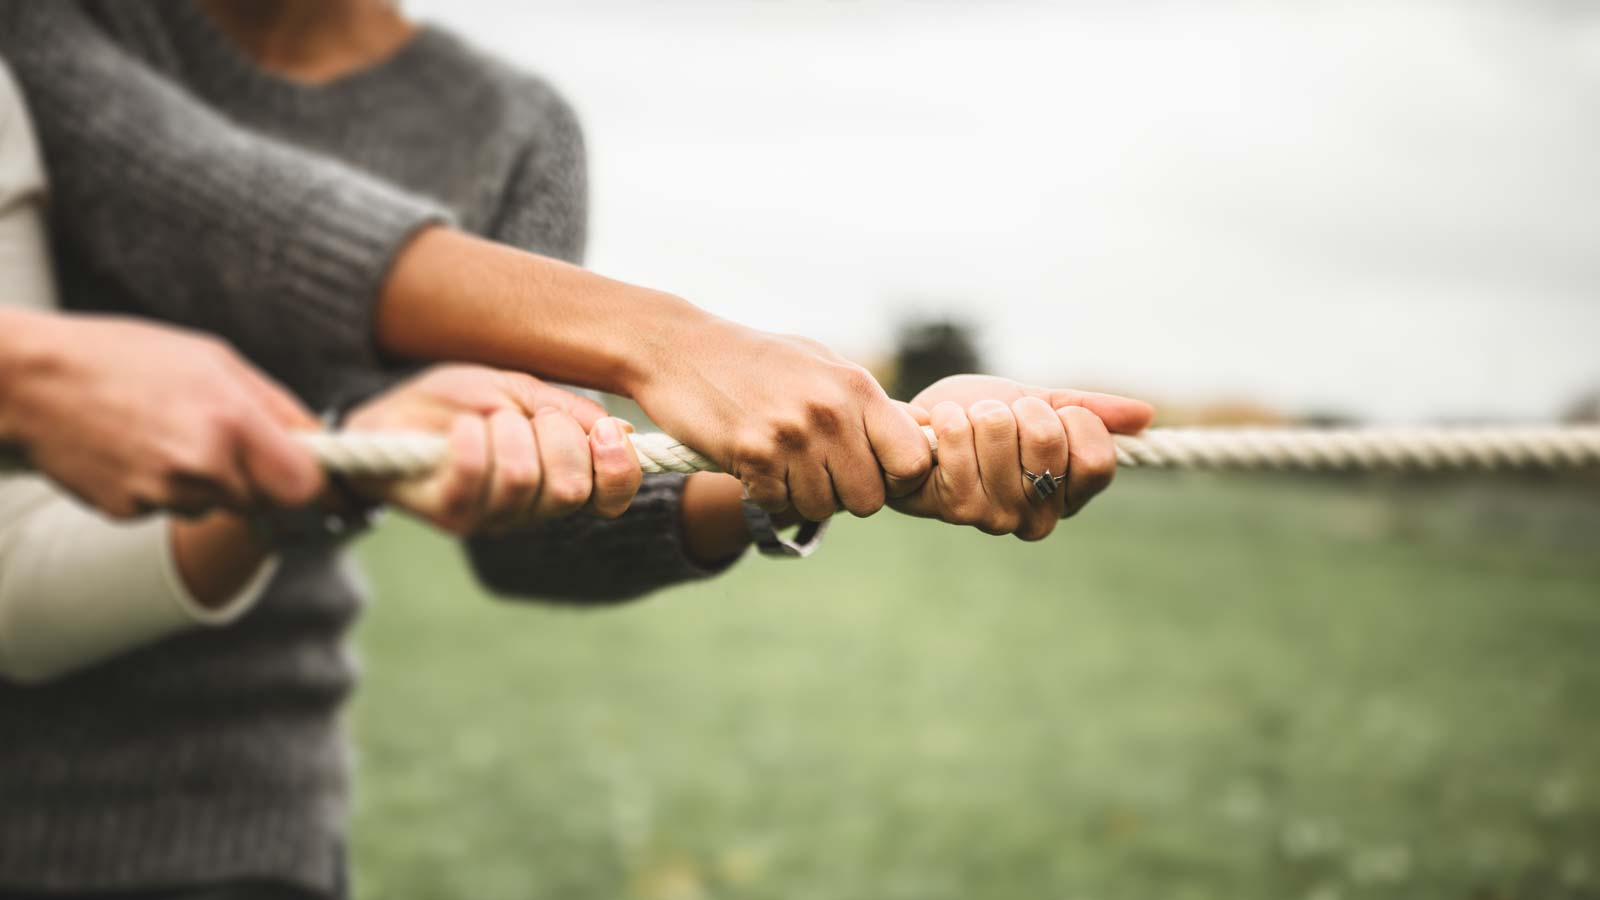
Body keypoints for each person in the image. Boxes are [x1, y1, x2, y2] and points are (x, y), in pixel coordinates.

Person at [0, 3, 1154, 898]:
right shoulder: (52, 30)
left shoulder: (508, 126)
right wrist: (666, 341)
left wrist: (839, 457)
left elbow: (543, 530)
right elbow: (188, 196)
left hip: (230, 811)